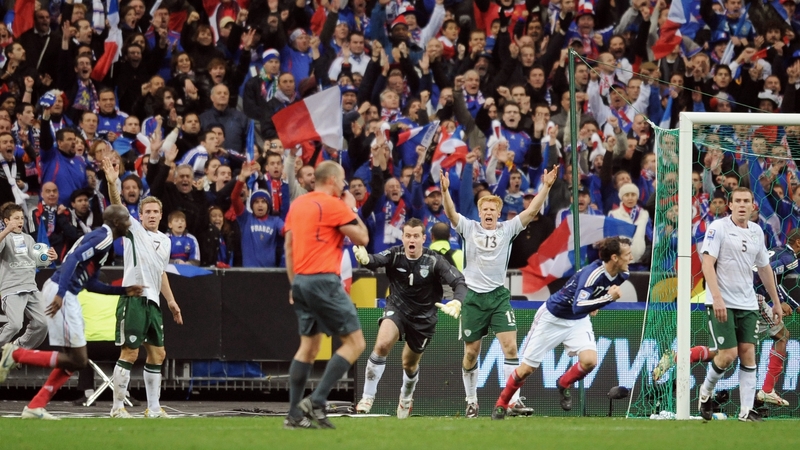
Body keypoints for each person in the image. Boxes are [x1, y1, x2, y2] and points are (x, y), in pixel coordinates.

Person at [0, 205, 142, 420]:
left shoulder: (103, 241)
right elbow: (74, 258)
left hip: (65, 292)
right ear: (116, 223)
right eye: (127, 220)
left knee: (74, 360)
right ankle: (16, 354)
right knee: (78, 359)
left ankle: (36, 405)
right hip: (63, 292)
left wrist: (123, 291)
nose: (130, 224)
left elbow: (91, 283)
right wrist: (61, 293)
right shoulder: (103, 238)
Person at [439, 165, 557, 418]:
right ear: (479, 212)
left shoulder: (508, 229)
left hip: (498, 296)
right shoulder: (469, 228)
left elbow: (531, 211)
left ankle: (512, 401)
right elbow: (450, 213)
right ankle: (472, 401)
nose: (488, 213)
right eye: (485, 209)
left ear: (499, 213)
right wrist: (445, 191)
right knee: (471, 353)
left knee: (511, 348)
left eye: (493, 209)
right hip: (472, 297)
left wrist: (546, 186)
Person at [652, 228, 800, 408]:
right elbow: (769, 273)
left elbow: (773, 277)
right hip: (751, 297)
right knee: (782, 336)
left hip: (735, 294)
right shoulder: (790, 259)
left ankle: (679, 356)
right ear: (798, 242)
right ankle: (767, 390)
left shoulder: (777, 250)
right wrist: (781, 301)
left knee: (726, 351)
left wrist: (792, 303)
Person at [491, 237, 632, 419]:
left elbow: (591, 299)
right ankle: (501, 404)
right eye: (627, 254)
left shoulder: (623, 273)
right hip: (553, 317)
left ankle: (564, 383)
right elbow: (578, 305)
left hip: (578, 320)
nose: (631, 258)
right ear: (614, 258)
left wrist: (596, 300)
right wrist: (607, 299)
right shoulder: (592, 274)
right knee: (526, 369)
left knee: (590, 361)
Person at [283, 161, 369, 429]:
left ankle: (293, 415)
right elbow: (362, 238)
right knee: (355, 343)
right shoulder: (333, 205)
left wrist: (294, 284)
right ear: (331, 180)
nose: (344, 185)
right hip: (324, 280)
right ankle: (317, 400)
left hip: (301, 281)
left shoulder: (298, 205)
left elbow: (289, 247)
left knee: (308, 348)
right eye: (342, 180)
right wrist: (351, 208)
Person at [352, 218, 467, 418]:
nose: (411, 240)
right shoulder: (395, 254)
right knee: (382, 345)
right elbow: (375, 260)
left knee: (409, 364)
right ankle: (367, 398)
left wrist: (458, 301)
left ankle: (406, 397)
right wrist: (365, 259)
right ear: (403, 238)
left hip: (423, 318)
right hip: (397, 309)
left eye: (415, 236)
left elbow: (459, 281)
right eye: (407, 236)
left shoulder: (434, 260)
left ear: (423, 238)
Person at [102, 159, 183, 419]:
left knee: (158, 354)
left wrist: (171, 301)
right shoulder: (133, 230)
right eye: (147, 211)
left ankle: (154, 408)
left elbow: (161, 272)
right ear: (140, 215)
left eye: (155, 212)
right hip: (134, 299)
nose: (151, 215)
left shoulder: (166, 240)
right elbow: (117, 205)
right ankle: (117, 408)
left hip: (153, 302)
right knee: (130, 352)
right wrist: (112, 182)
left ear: (161, 215)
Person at [697, 187, 782, 422]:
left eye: (747, 201)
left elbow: (764, 268)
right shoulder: (718, 228)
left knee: (748, 354)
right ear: (730, 205)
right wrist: (716, 298)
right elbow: (707, 264)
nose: (742, 205)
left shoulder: (757, 231)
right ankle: (705, 391)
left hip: (748, 303)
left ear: (753, 206)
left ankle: (746, 411)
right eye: (738, 201)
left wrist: (776, 302)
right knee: (727, 355)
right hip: (721, 301)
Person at [0, 203, 57, 348]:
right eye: (16, 218)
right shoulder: (4, 237)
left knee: (43, 323)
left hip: (31, 288)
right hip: (12, 289)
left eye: (22, 218)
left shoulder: (29, 239)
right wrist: (6, 230)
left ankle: (17, 348)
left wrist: (50, 258)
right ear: (6, 221)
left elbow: (38, 262)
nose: (20, 221)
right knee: (15, 325)